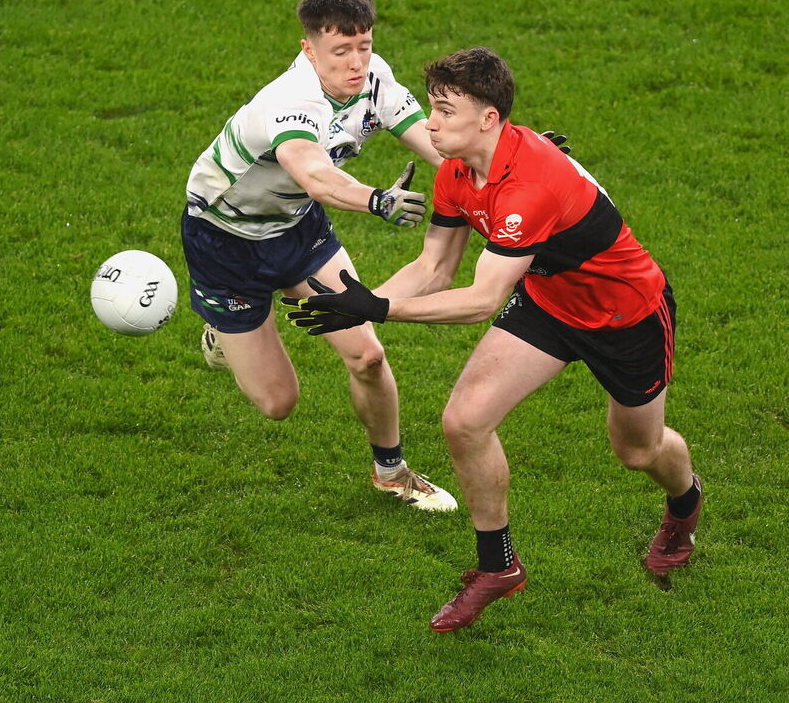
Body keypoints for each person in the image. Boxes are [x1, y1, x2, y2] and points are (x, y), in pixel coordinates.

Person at [283, 47, 702, 631]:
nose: (429, 125)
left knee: (638, 451)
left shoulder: (529, 186)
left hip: (625, 316)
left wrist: (378, 306)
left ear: (488, 119)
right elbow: (435, 267)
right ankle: (498, 567)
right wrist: (356, 301)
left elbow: (481, 301)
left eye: (445, 112)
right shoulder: (457, 170)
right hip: (549, 303)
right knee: (464, 421)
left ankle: (684, 504)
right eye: (431, 108)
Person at [180, 0, 457, 513]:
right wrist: (376, 200)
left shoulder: (374, 78)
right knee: (278, 403)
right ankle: (221, 330)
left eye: (365, 46)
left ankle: (391, 472)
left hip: (298, 230)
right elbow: (315, 175)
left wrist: (516, 161)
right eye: (341, 51)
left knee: (369, 355)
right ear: (310, 49)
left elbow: (440, 145)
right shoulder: (290, 101)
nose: (357, 62)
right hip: (225, 244)